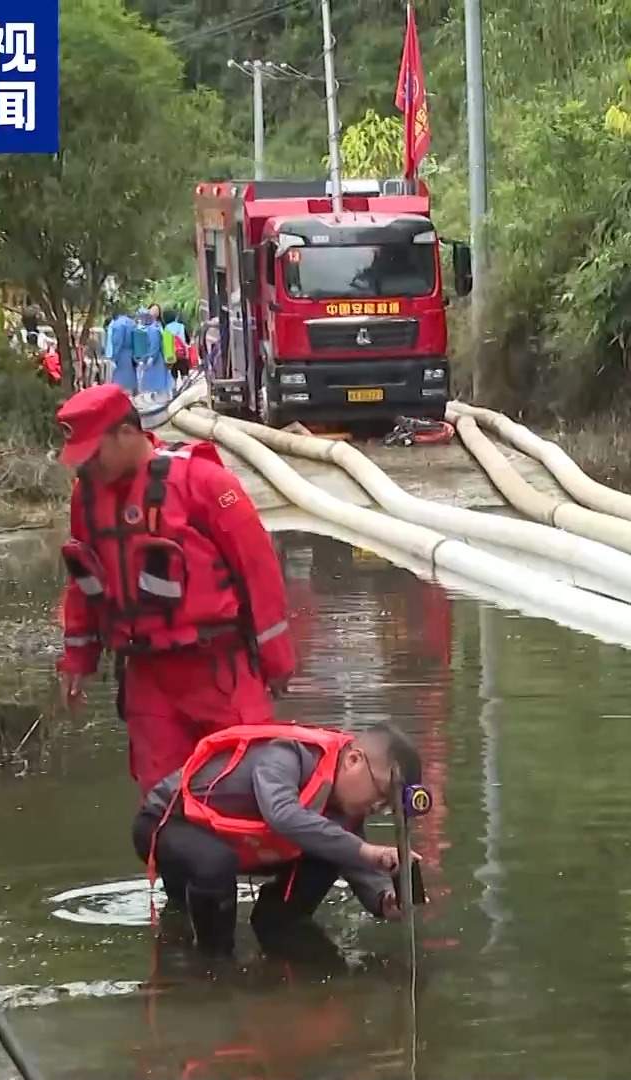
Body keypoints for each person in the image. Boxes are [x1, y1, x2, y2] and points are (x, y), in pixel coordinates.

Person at [54, 384, 298, 796]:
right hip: (148, 679)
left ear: (127, 433)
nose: (87, 466)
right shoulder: (86, 497)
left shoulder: (203, 480)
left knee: (248, 793)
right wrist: (78, 659)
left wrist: (277, 661)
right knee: (163, 808)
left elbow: (258, 571)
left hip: (220, 671)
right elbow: (85, 581)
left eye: (94, 453)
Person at [131, 722, 422, 955]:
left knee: (330, 852)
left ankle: (278, 933)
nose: (377, 807)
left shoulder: (346, 806)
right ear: (354, 760)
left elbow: (353, 857)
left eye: (387, 805)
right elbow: (282, 814)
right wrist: (369, 852)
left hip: (235, 848)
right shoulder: (288, 754)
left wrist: (386, 899)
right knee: (213, 865)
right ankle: (213, 965)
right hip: (167, 825)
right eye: (381, 793)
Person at [107, 311, 138, 393]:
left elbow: (117, 342)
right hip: (132, 355)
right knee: (131, 381)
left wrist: (114, 357)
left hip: (122, 356)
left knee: (121, 384)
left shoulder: (118, 324)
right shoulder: (132, 323)